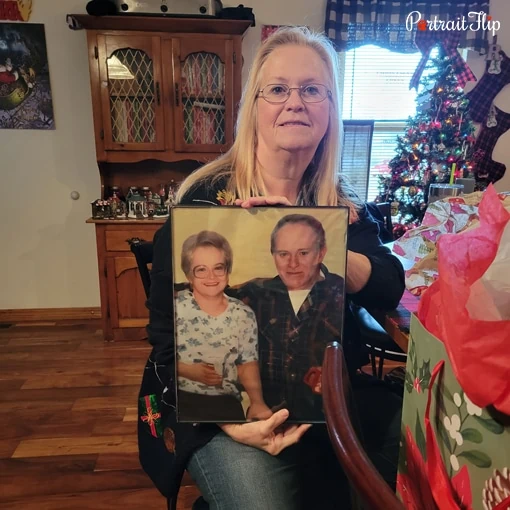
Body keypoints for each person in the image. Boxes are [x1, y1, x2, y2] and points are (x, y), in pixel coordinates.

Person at [138, 26, 405, 509]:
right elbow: (166, 336)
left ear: (330, 108)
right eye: (278, 89)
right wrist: (232, 420)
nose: (295, 102)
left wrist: (328, 244)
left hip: (319, 401)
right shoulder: (204, 199)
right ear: (254, 107)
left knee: (407, 451)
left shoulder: (340, 203)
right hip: (216, 406)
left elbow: (389, 284)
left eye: (312, 90)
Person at [231, 213, 345, 422]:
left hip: (323, 416)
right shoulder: (256, 293)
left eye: (303, 253)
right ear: (273, 255)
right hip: (266, 412)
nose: (293, 263)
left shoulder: (338, 293)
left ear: (321, 253)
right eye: (283, 254)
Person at [175, 230, 269, 422]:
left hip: (225, 401)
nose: (211, 277)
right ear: (188, 275)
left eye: (218, 268)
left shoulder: (243, 314)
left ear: (228, 271)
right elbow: (158, 360)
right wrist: (189, 371)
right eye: (201, 269)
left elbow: (247, 363)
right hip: (181, 397)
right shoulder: (175, 307)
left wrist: (257, 402)